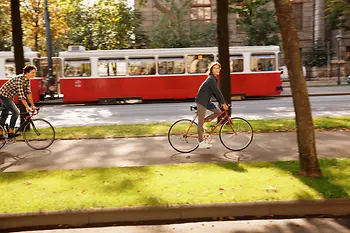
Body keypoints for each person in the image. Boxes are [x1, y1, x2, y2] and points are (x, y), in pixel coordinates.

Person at [195, 62, 229, 149]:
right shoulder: (211, 79)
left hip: (207, 101)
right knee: (200, 122)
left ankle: (203, 123)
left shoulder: (213, 79)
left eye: (218, 68)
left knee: (218, 112)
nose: (217, 70)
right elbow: (218, 92)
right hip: (201, 101)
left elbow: (215, 93)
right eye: (215, 68)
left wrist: (221, 102)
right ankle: (201, 142)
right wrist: (223, 103)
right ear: (211, 70)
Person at [0, 65, 37, 138]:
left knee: (5, 114)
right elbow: (21, 96)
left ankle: (0, 132)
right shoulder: (19, 80)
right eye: (32, 73)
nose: (34, 75)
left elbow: (28, 93)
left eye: (34, 73)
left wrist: (32, 105)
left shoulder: (27, 80)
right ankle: (11, 131)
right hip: (4, 95)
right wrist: (27, 107)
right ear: (27, 72)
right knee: (16, 112)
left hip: (10, 96)